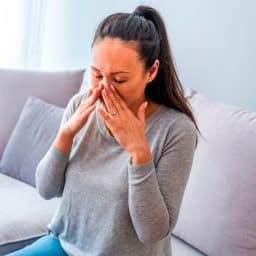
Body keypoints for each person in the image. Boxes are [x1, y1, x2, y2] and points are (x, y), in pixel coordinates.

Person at [6, 5, 201, 256]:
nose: (104, 89)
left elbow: (152, 231)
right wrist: (65, 135)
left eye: (119, 79)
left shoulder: (177, 130)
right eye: (97, 75)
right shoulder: (80, 105)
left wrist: (139, 151)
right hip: (64, 246)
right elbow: (46, 189)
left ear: (151, 71)